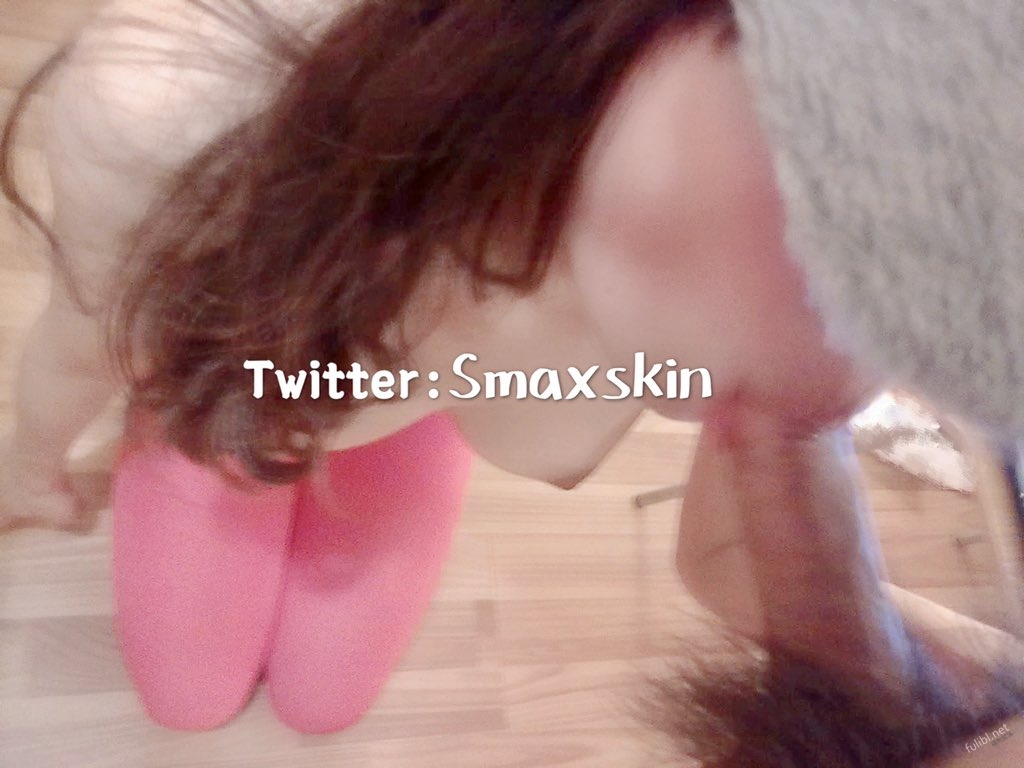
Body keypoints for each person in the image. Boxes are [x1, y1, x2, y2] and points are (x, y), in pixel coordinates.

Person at [1, 0, 1021, 763]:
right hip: (238, 378)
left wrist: (929, 675)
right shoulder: (182, 99)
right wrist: (29, 467)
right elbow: (81, 337)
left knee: (323, 704)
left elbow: (726, 556)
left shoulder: (763, 337)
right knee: (187, 702)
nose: (854, 384)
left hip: (413, 408)